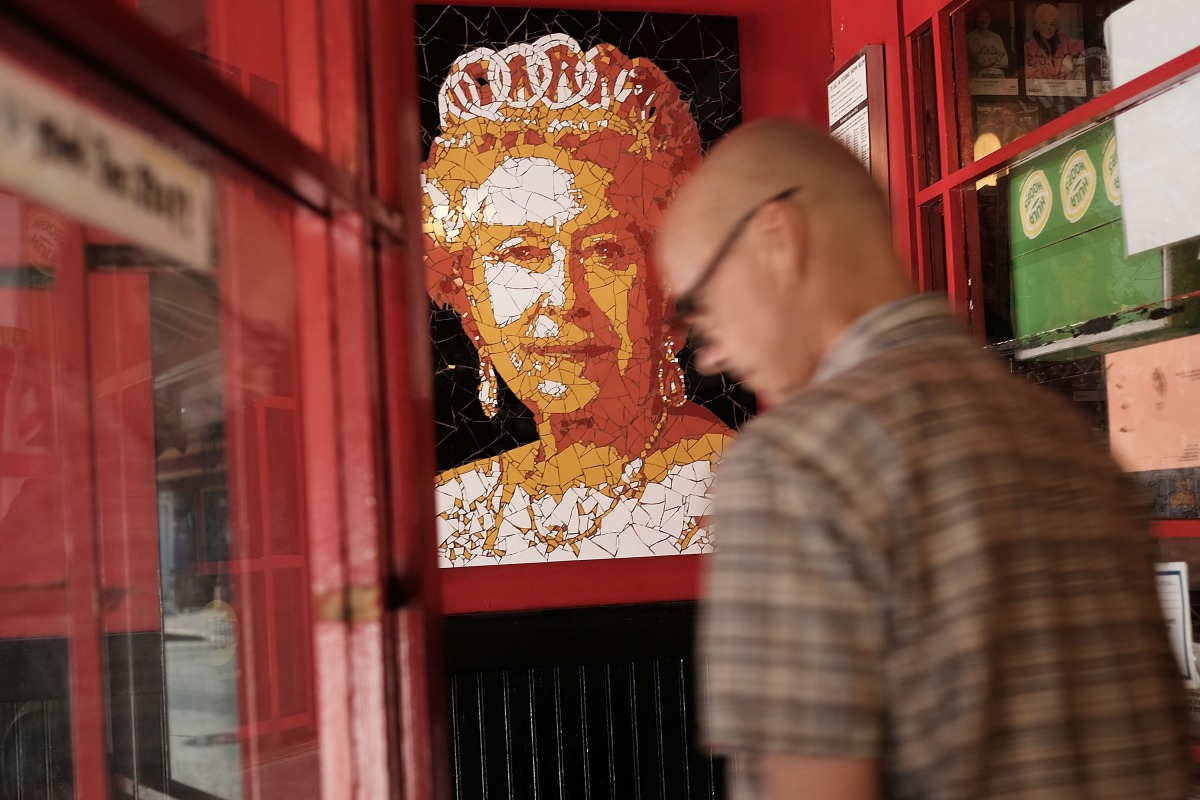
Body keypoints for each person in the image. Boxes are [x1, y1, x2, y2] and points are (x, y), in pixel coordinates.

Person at [656, 118, 1191, 800]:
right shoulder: (1068, 443)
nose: (710, 354)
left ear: (775, 239)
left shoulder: (796, 465)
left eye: (700, 306)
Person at [423, 34, 733, 567]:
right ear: (469, 292)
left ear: (664, 289)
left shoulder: (739, 498)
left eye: (606, 252)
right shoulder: (448, 512)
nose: (565, 297)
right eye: (522, 253)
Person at [1024, 3, 1084, 80]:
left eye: (1052, 24)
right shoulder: (1027, 48)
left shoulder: (1063, 40)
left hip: (1064, 90)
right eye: (1044, 23)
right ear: (1037, 25)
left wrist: (1070, 56)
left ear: (1056, 27)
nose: (1048, 27)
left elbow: (1083, 45)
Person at [966, 10, 1009, 78]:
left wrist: (988, 59)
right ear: (976, 19)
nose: (984, 20)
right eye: (980, 17)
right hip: (981, 78)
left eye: (987, 17)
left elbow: (1005, 61)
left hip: (998, 76)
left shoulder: (997, 37)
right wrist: (996, 58)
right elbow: (980, 60)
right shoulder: (971, 36)